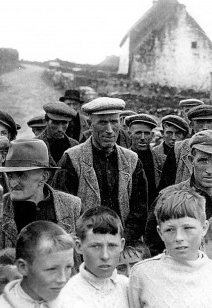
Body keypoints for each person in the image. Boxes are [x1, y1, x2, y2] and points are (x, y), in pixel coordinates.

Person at [53, 97, 148, 245]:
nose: (109, 130)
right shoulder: (72, 159)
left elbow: (139, 209)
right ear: (90, 125)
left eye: (114, 122)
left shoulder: (132, 160)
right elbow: (63, 211)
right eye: (103, 122)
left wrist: (123, 241)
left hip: (122, 244)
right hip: (85, 245)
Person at [145, 130, 212, 256]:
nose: (209, 170)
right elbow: (153, 245)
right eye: (203, 160)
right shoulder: (169, 196)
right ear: (191, 160)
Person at [61, 206, 130, 308]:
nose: (105, 255)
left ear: (122, 245)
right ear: (78, 246)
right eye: (96, 246)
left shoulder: (128, 287)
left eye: (112, 246)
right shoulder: (68, 295)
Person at [0, 139, 81, 250]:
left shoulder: (72, 206)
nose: (12, 183)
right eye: (10, 175)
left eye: (21, 175)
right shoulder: (0, 208)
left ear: (44, 177)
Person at [157, 104, 212, 189]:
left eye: (209, 122)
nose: (205, 127)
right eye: (200, 122)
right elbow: (165, 186)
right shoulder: (178, 149)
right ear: (191, 125)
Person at [126, 114, 164, 206]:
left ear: (152, 136)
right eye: (138, 133)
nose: (143, 138)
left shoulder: (161, 160)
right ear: (129, 135)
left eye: (147, 133)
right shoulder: (123, 159)